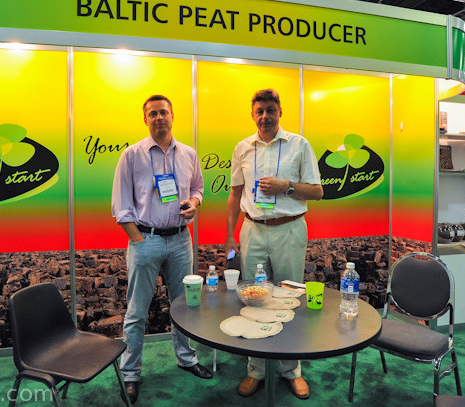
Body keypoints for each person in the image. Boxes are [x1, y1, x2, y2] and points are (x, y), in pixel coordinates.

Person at [112, 94, 213, 404]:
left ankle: (186, 359)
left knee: (184, 306)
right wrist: (139, 240)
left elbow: (197, 187)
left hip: (181, 239)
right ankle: (131, 373)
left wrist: (194, 203)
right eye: (153, 113)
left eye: (164, 112)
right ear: (145, 119)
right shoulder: (132, 155)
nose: (159, 117)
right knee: (136, 312)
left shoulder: (189, 154)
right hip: (146, 239)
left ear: (172, 116)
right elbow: (120, 205)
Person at [225, 88, 323, 400]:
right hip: (253, 229)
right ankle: (255, 368)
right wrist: (230, 235)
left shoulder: (299, 144)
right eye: (259, 111)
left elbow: (318, 191)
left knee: (288, 298)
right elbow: (235, 194)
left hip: (289, 229)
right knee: (254, 299)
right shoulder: (242, 147)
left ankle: (291, 370)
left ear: (280, 112)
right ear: (252, 115)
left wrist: (287, 186)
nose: (265, 116)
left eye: (270, 110)